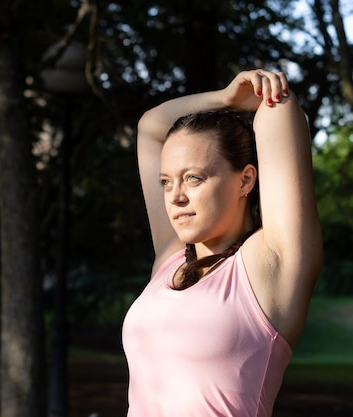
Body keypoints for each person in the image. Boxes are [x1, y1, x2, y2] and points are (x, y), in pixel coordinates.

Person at [122, 69, 323, 417]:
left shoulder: (270, 264)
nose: (175, 197)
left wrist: (267, 91)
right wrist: (225, 98)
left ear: (245, 180)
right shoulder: (171, 260)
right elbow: (152, 127)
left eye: (193, 178)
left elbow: (279, 108)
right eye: (166, 182)